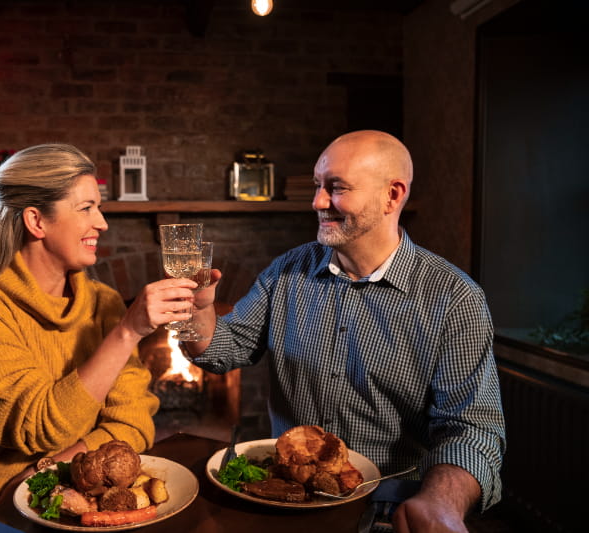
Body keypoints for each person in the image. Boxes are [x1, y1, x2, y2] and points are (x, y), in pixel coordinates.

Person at [183, 130, 506, 533]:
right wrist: (199, 310)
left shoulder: (454, 299)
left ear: (392, 195)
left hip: (390, 509)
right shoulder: (287, 271)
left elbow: (471, 429)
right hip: (290, 499)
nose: (317, 202)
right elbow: (222, 350)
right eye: (318, 186)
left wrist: (441, 501)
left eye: (336, 188)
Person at [0, 144, 197, 532]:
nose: (102, 223)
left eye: (99, 207)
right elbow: (38, 427)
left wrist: (45, 472)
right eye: (86, 208)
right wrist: (127, 332)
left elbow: (134, 424)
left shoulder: (104, 303)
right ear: (36, 221)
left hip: (66, 497)